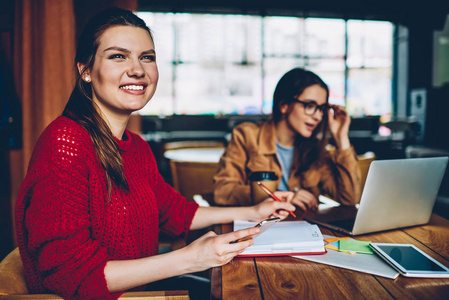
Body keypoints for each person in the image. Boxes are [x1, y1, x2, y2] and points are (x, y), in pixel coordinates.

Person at [14, 8, 296, 300]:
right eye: (118, 56)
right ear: (85, 70)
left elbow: (176, 212)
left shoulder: (136, 147)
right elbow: (66, 274)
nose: (137, 69)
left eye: (146, 57)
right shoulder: (65, 142)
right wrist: (190, 258)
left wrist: (253, 212)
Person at [214, 68, 361, 211]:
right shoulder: (246, 136)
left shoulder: (314, 149)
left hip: (302, 228)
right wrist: (279, 198)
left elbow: (350, 198)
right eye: (310, 106)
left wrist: (341, 138)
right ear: (284, 105)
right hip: (257, 227)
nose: (317, 116)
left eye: (321, 109)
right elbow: (223, 191)